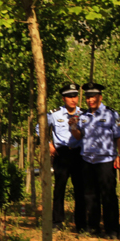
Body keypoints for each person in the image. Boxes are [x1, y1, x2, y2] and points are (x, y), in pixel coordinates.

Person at [70, 83, 120, 239]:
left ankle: (112, 230)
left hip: (106, 160)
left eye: (93, 96)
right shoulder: (83, 116)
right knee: (90, 195)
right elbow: (79, 136)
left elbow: (119, 136)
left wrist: (119, 156)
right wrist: (73, 127)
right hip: (87, 160)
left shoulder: (111, 114)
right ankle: (93, 228)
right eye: (87, 97)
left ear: (100, 97)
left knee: (108, 195)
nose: (90, 100)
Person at [43, 83, 86, 231]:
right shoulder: (55, 114)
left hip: (79, 154)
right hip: (61, 154)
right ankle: (57, 222)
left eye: (75, 96)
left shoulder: (84, 114)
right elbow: (39, 128)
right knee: (59, 188)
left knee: (80, 189)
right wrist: (48, 144)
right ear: (63, 98)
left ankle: (81, 224)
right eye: (69, 96)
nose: (73, 99)